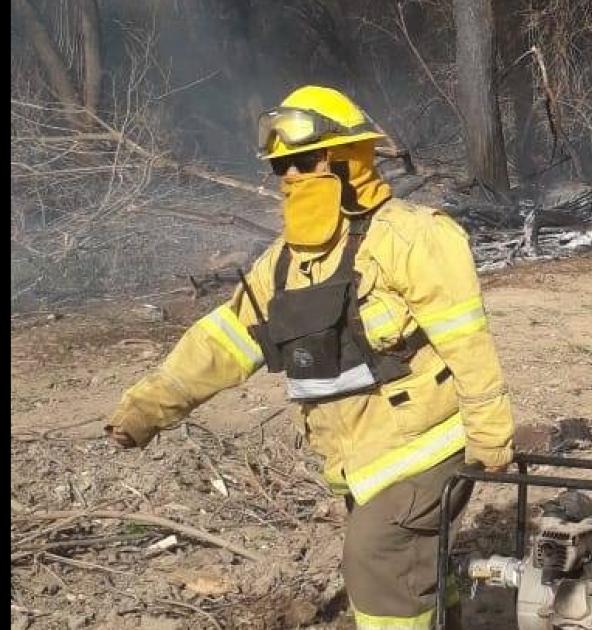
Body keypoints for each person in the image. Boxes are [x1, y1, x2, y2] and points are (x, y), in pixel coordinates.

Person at [104, 85, 515, 630]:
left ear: (348, 160)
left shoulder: (414, 237)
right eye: (281, 167)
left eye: (303, 161)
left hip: (428, 445)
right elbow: (221, 343)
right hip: (363, 463)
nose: (291, 177)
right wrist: (146, 407)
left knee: (377, 560)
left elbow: (468, 341)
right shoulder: (283, 265)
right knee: (414, 575)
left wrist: (491, 435)